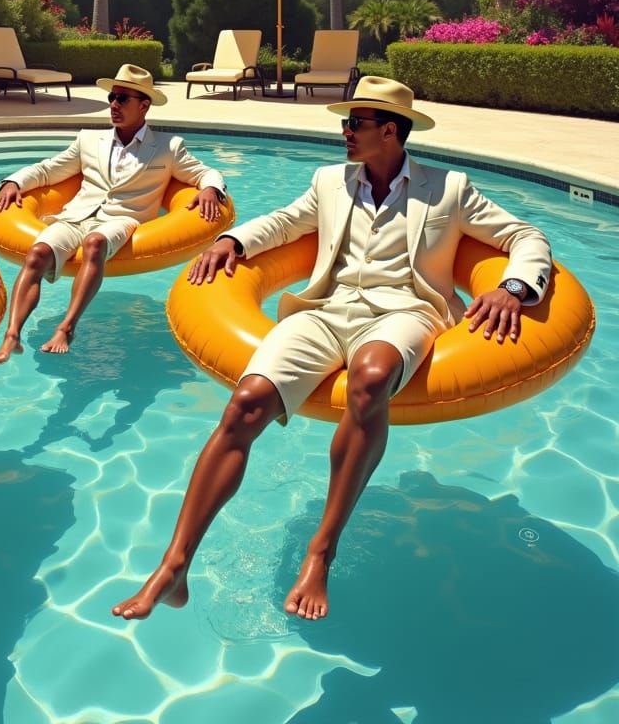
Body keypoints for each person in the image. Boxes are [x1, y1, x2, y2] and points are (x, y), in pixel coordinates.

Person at [113, 76, 552, 622]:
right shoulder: (329, 182)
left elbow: (527, 237)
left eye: (355, 124)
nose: (344, 132)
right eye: (346, 122)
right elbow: (284, 223)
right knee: (245, 403)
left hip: (406, 312)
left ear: (389, 131)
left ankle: (321, 551)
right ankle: (174, 565)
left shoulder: (449, 189)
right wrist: (232, 240)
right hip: (327, 309)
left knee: (370, 377)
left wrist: (513, 288)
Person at [0, 63, 227, 362]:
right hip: (76, 215)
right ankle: (12, 335)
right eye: (112, 97)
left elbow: (205, 172)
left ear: (144, 105)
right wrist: (14, 182)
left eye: (122, 99)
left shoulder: (168, 147)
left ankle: (67, 327)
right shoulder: (88, 139)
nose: (114, 104)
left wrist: (210, 189)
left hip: (123, 218)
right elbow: (49, 169)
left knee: (95, 243)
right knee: (37, 253)